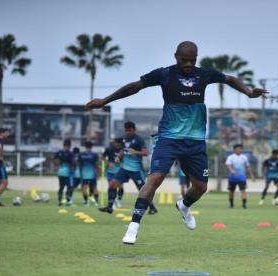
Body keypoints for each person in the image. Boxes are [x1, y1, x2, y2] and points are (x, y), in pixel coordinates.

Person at [85, 41, 267, 244]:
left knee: (200, 187)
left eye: (192, 60)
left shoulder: (204, 74)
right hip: (168, 139)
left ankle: (184, 205)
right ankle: (133, 227)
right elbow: (135, 86)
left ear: (197, 58)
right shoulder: (165, 74)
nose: (188, 64)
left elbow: (229, 79)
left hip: (195, 142)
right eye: (184, 60)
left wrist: (248, 92)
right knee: (154, 180)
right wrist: (105, 100)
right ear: (175, 56)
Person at [99, 122, 157, 215]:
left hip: (136, 169)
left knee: (142, 190)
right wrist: (119, 156)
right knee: (112, 185)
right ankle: (110, 207)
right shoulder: (123, 138)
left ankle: (152, 208)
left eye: (129, 130)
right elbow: (123, 149)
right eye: (126, 130)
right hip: (124, 168)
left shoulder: (139, 140)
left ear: (134, 129)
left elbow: (146, 152)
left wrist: (135, 152)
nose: (128, 132)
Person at [226, 144, 255, 209]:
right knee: (231, 191)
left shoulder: (244, 157)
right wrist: (232, 171)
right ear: (234, 150)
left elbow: (248, 167)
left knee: (243, 190)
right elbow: (228, 165)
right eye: (238, 149)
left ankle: (244, 204)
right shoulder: (231, 157)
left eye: (240, 149)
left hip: (242, 177)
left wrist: (252, 175)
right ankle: (231, 204)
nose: (239, 150)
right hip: (232, 177)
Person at [101, 138, 122, 210]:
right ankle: (112, 203)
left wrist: (121, 163)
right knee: (111, 186)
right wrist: (108, 163)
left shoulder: (122, 150)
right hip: (110, 171)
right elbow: (102, 157)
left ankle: (119, 199)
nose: (116, 144)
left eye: (117, 143)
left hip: (119, 171)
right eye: (115, 143)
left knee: (119, 187)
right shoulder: (109, 149)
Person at [54, 139, 74, 206]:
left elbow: (55, 162)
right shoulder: (70, 153)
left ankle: (59, 200)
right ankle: (68, 200)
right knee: (69, 187)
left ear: (63, 145)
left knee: (61, 186)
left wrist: (58, 164)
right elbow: (73, 163)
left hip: (60, 172)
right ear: (70, 145)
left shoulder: (59, 152)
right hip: (67, 172)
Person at [79, 141, 99, 206]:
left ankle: (86, 202)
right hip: (92, 173)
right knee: (94, 187)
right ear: (91, 147)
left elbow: (80, 165)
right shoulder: (94, 154)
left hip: (84, 173)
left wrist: (80, 173)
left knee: (84, 187)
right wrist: (98, 173)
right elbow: (96, 165)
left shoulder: (81, 154)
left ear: (85, 146)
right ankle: (96, 202)